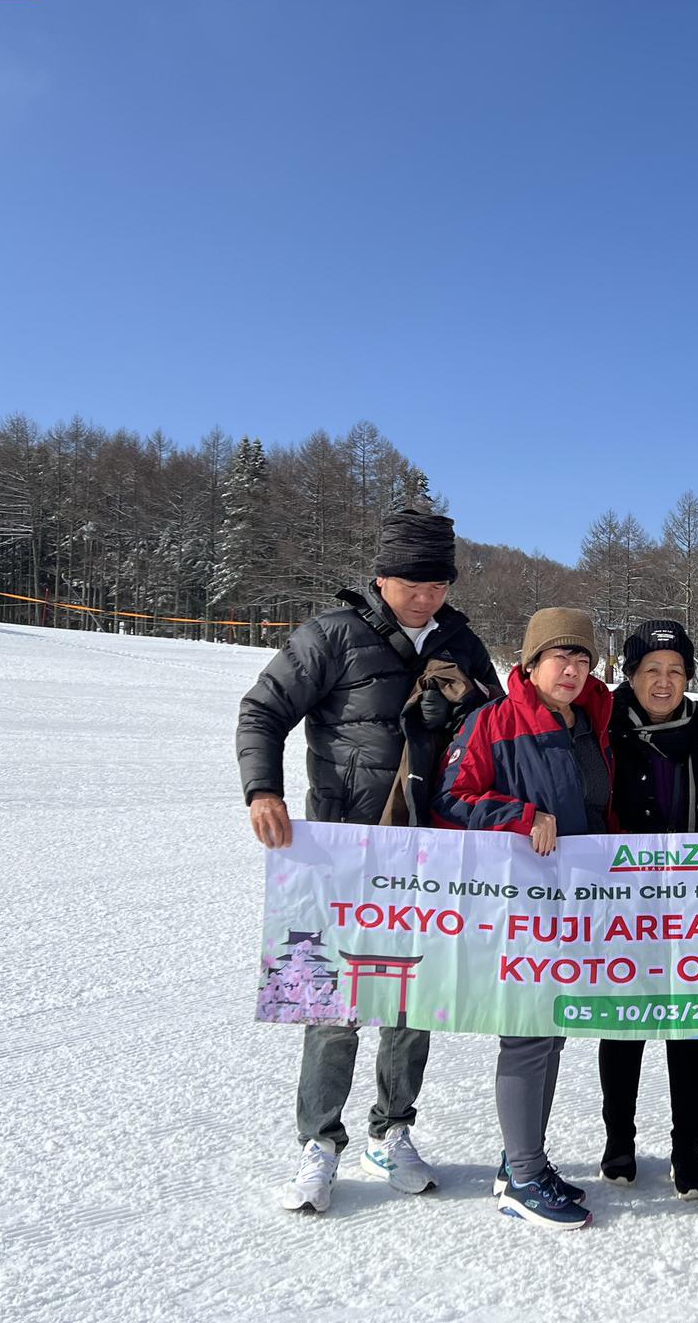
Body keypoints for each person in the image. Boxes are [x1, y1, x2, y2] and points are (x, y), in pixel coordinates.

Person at [236, 510, 498, 1215]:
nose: (425, 598)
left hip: (428, 847)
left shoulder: (461, 642)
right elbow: (262, 710)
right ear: (381, 578)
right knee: (334, 998)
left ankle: (393, 1130)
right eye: (413, 585)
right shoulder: (333, 634)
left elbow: (497, 732)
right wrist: (263, 789)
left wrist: (464, 708)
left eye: (438, 585)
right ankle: (320, 1142)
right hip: (342, 848)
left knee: (414, 996)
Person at [434, 608, 616, 1231]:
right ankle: (524, 1175)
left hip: (579, 901)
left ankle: (523, 1159)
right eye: (559, 657)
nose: (572, 669)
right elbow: (450, 799)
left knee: (552, 1027)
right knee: (527, 1032)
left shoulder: (591, 722)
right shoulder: (494, 721)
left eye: (583, 658)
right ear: (530, 663)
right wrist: (519, 816)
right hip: (519, 904)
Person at [598, 619, 698, 1196]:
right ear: (630, 674)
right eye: (651, 670)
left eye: (675, 670)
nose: (664, 682)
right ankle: (618, 1140)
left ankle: (686, 1148)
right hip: (621, 901)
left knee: (688, 1029)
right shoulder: (604, 728)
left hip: (692, 900)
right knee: (622, 1025)